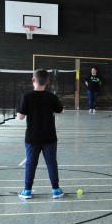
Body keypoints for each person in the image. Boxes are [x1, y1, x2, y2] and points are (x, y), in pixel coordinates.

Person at [16, 69, 65, 200]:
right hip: (49, 137)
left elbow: (20, 117)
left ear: (33, 80)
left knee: (31, 163)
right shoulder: (51, 97)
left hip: (32, 137)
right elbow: (61, 111)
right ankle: (56, 190)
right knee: (51, 163)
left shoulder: (26, 96)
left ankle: (27, 191)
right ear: (47, 82)